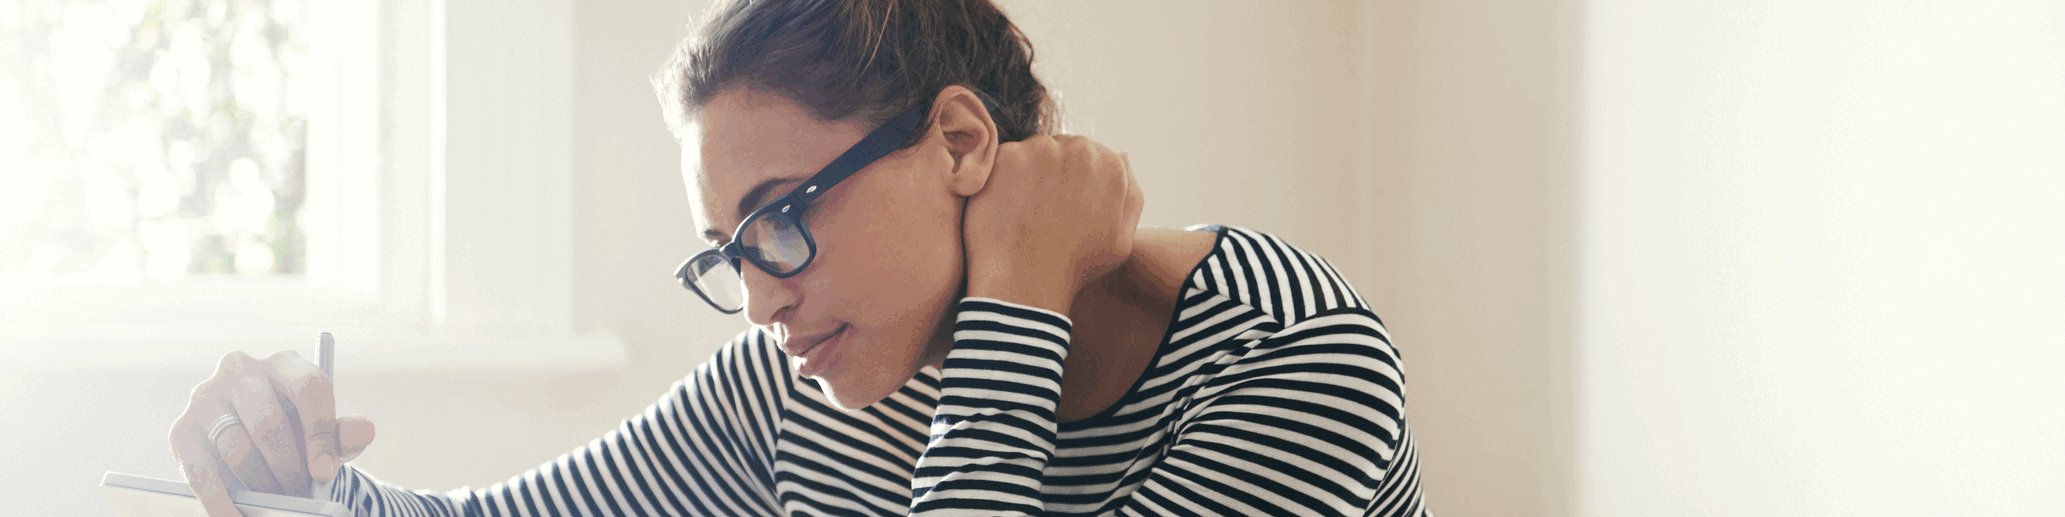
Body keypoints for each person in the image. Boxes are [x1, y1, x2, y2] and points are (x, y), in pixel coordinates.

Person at [166, 0, 1429, 515]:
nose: (761, 297)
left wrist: (1014, 302)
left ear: (956, 138)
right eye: (727, 254)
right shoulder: (802, 383)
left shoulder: (1293, 362)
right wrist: (300, 480)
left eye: (780, 217)